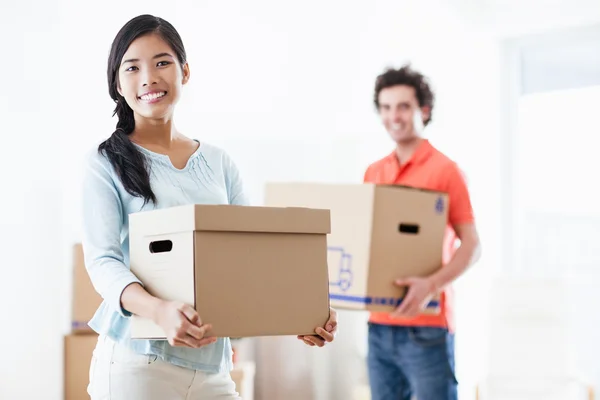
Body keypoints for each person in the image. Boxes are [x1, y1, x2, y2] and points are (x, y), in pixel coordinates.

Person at [81, 14, 338, 399]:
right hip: (138, 365)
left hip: (215, 367)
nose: (149, 77)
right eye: (132, 67)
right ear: (117, 83)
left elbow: (251, 256)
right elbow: (103, 262)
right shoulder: (106, 161)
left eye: (162, 62)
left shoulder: (220, 162)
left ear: (185, 71)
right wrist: (159, 311)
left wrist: (300, 312)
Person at [363, 64, 481, 400]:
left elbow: (472, 245)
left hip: (427, 328)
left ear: (423, 111)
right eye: (385, 108)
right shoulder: (374, 171)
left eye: (403, 106)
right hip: (379, 325)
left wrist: (431, 285)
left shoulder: (446, 171)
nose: (393, 117)